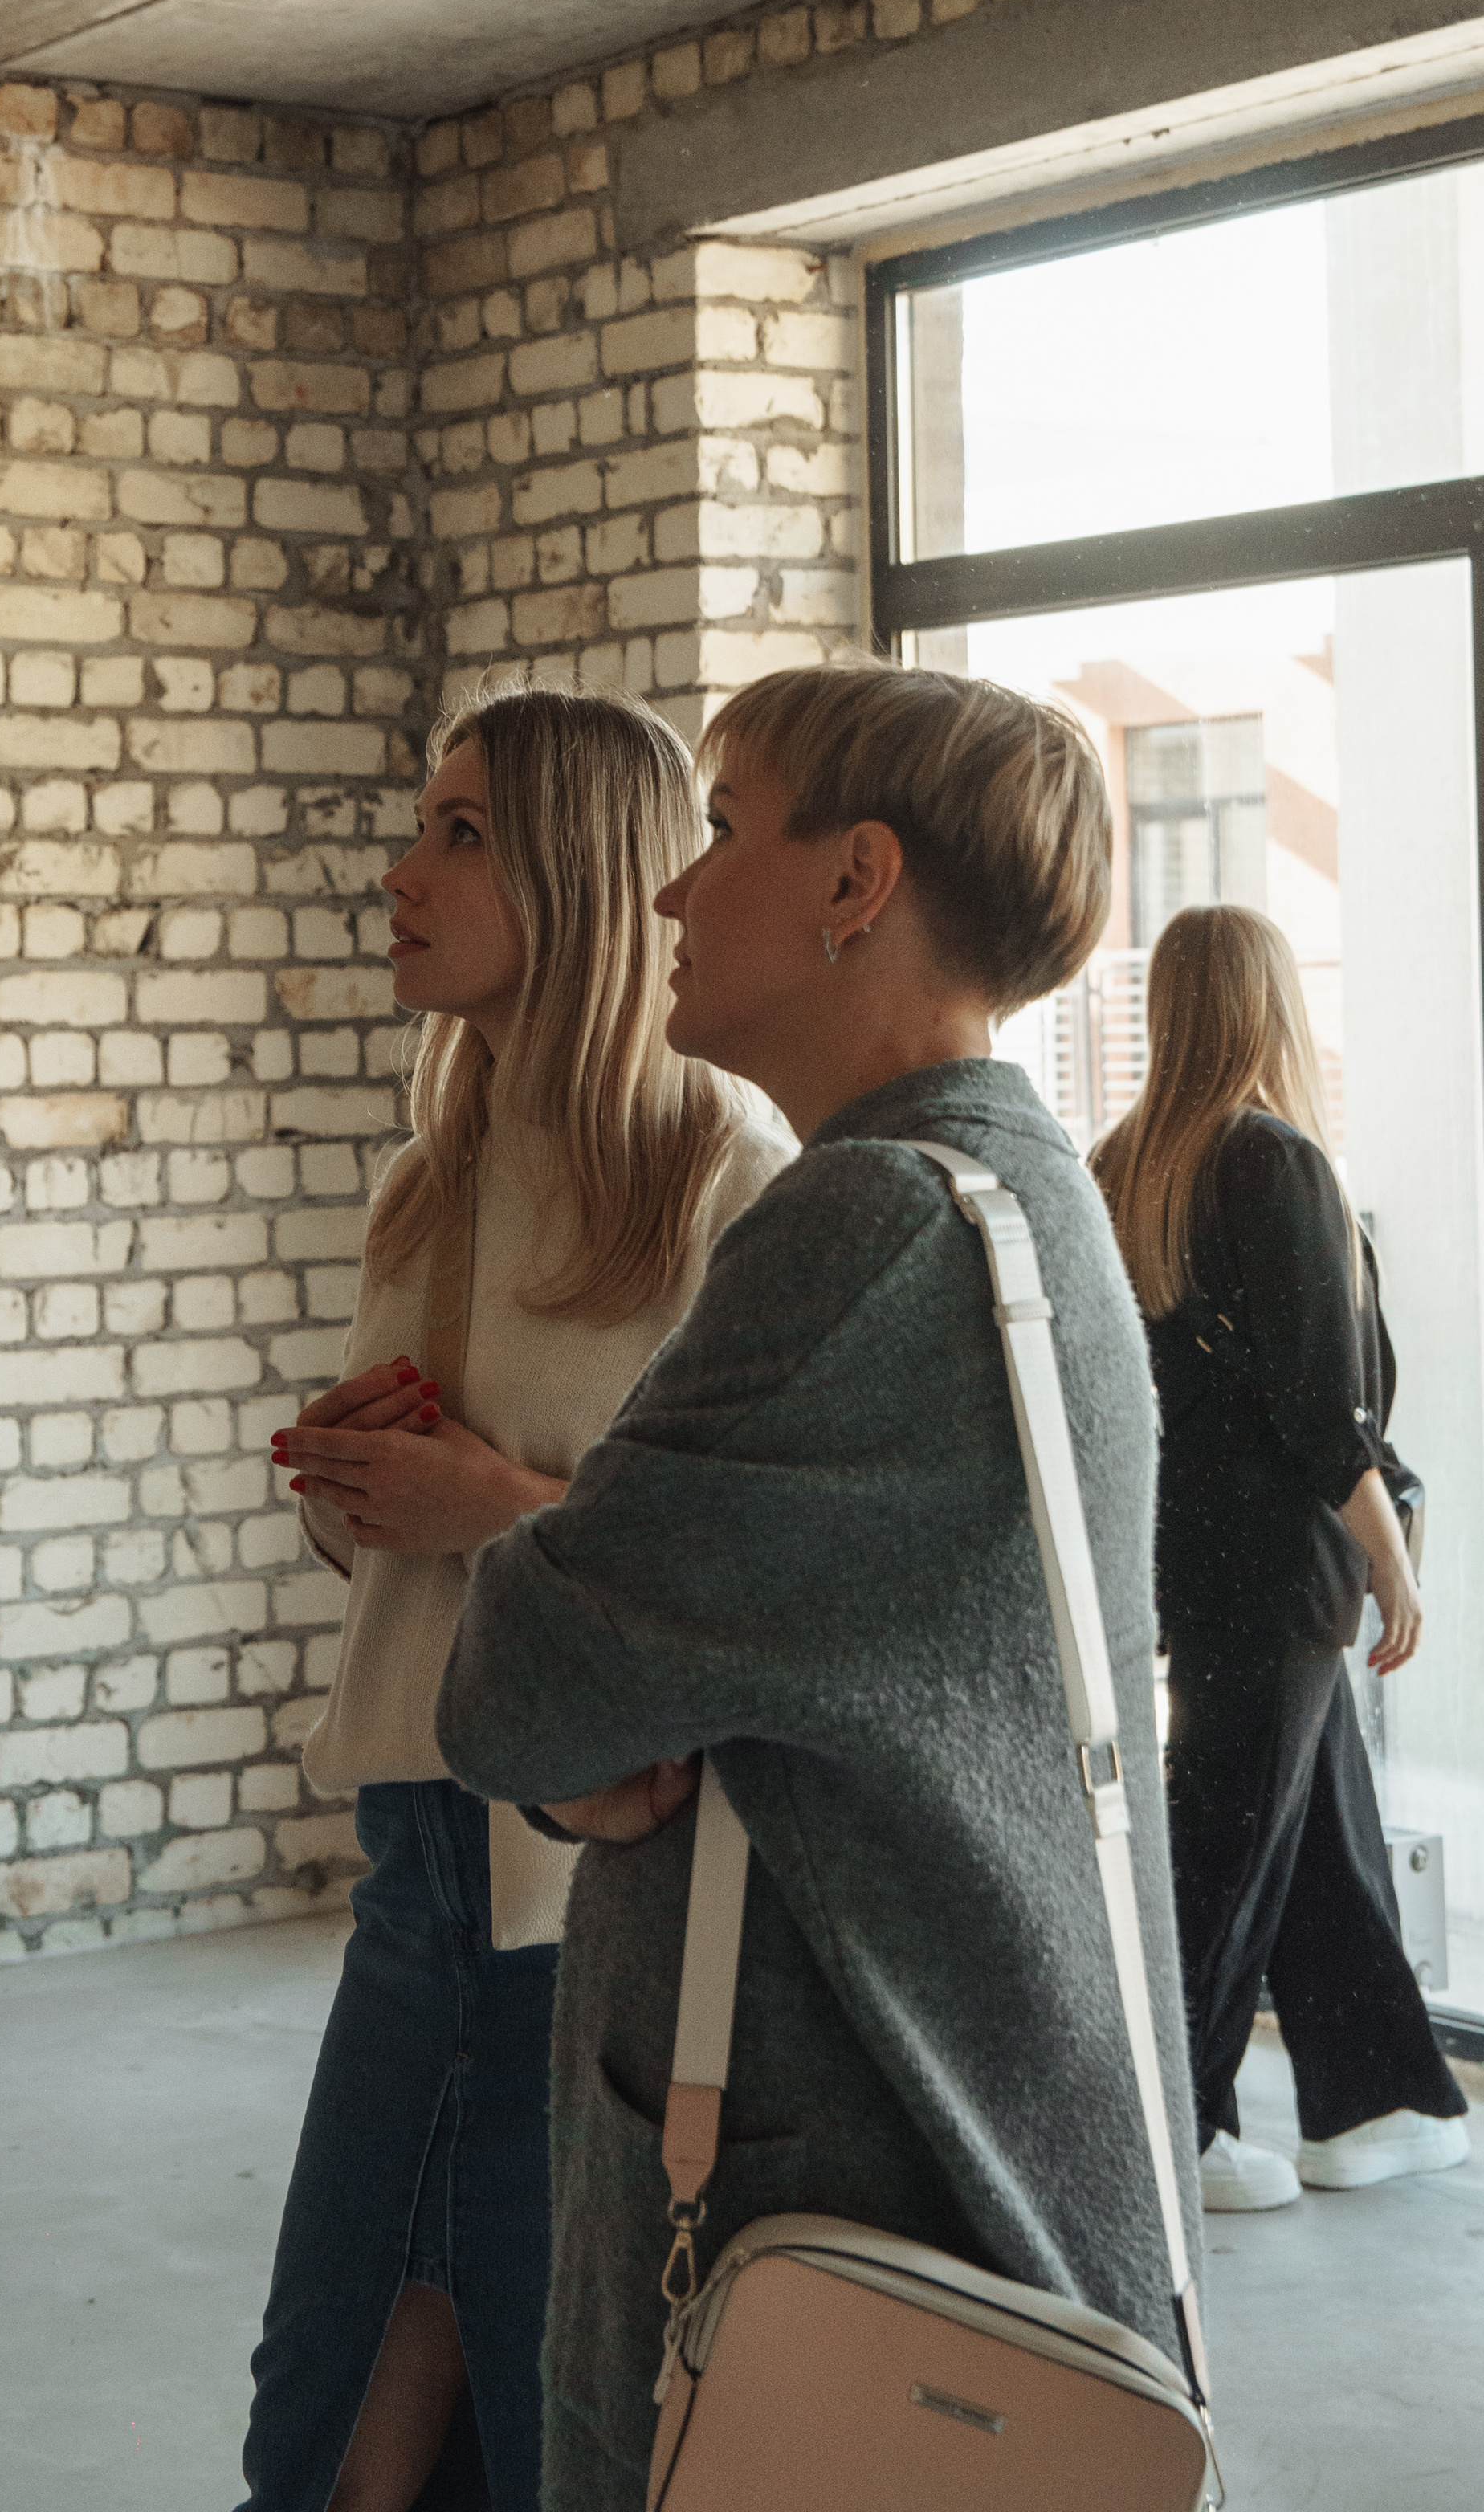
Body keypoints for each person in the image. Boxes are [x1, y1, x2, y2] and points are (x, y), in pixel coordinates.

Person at [435, 659, 1205, 2512]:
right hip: (944, 2118)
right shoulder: (1011, 1187)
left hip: (824, 2171)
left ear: (856, 881)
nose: (673, 893)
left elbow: (519, 1683)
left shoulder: (863, 1228)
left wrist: (585, 1717)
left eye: (718, 831)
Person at [247, 686, 789, 2512]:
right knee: (329, 2385)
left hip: (588, 1893)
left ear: (573, 870)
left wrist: (490, 1504)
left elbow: (720, 1577)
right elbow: (381, 1567)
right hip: (415, 1850)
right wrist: (358, 1488)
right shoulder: (428, 1179)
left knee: (540, 2415)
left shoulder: (721, 1172)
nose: (400, 871)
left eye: (459, 833)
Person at [1091, 903, 1470, 2213]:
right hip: (1285, 1564)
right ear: (1272, 1003)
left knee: (1313, 1833)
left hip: (1184, 1559)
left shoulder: (1125, 1165)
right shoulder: (1274, 1162)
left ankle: (1377, 2101)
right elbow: (1326, 1411)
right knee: (1230, 1842)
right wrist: (1398, 1567)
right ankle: (1174, 2132)